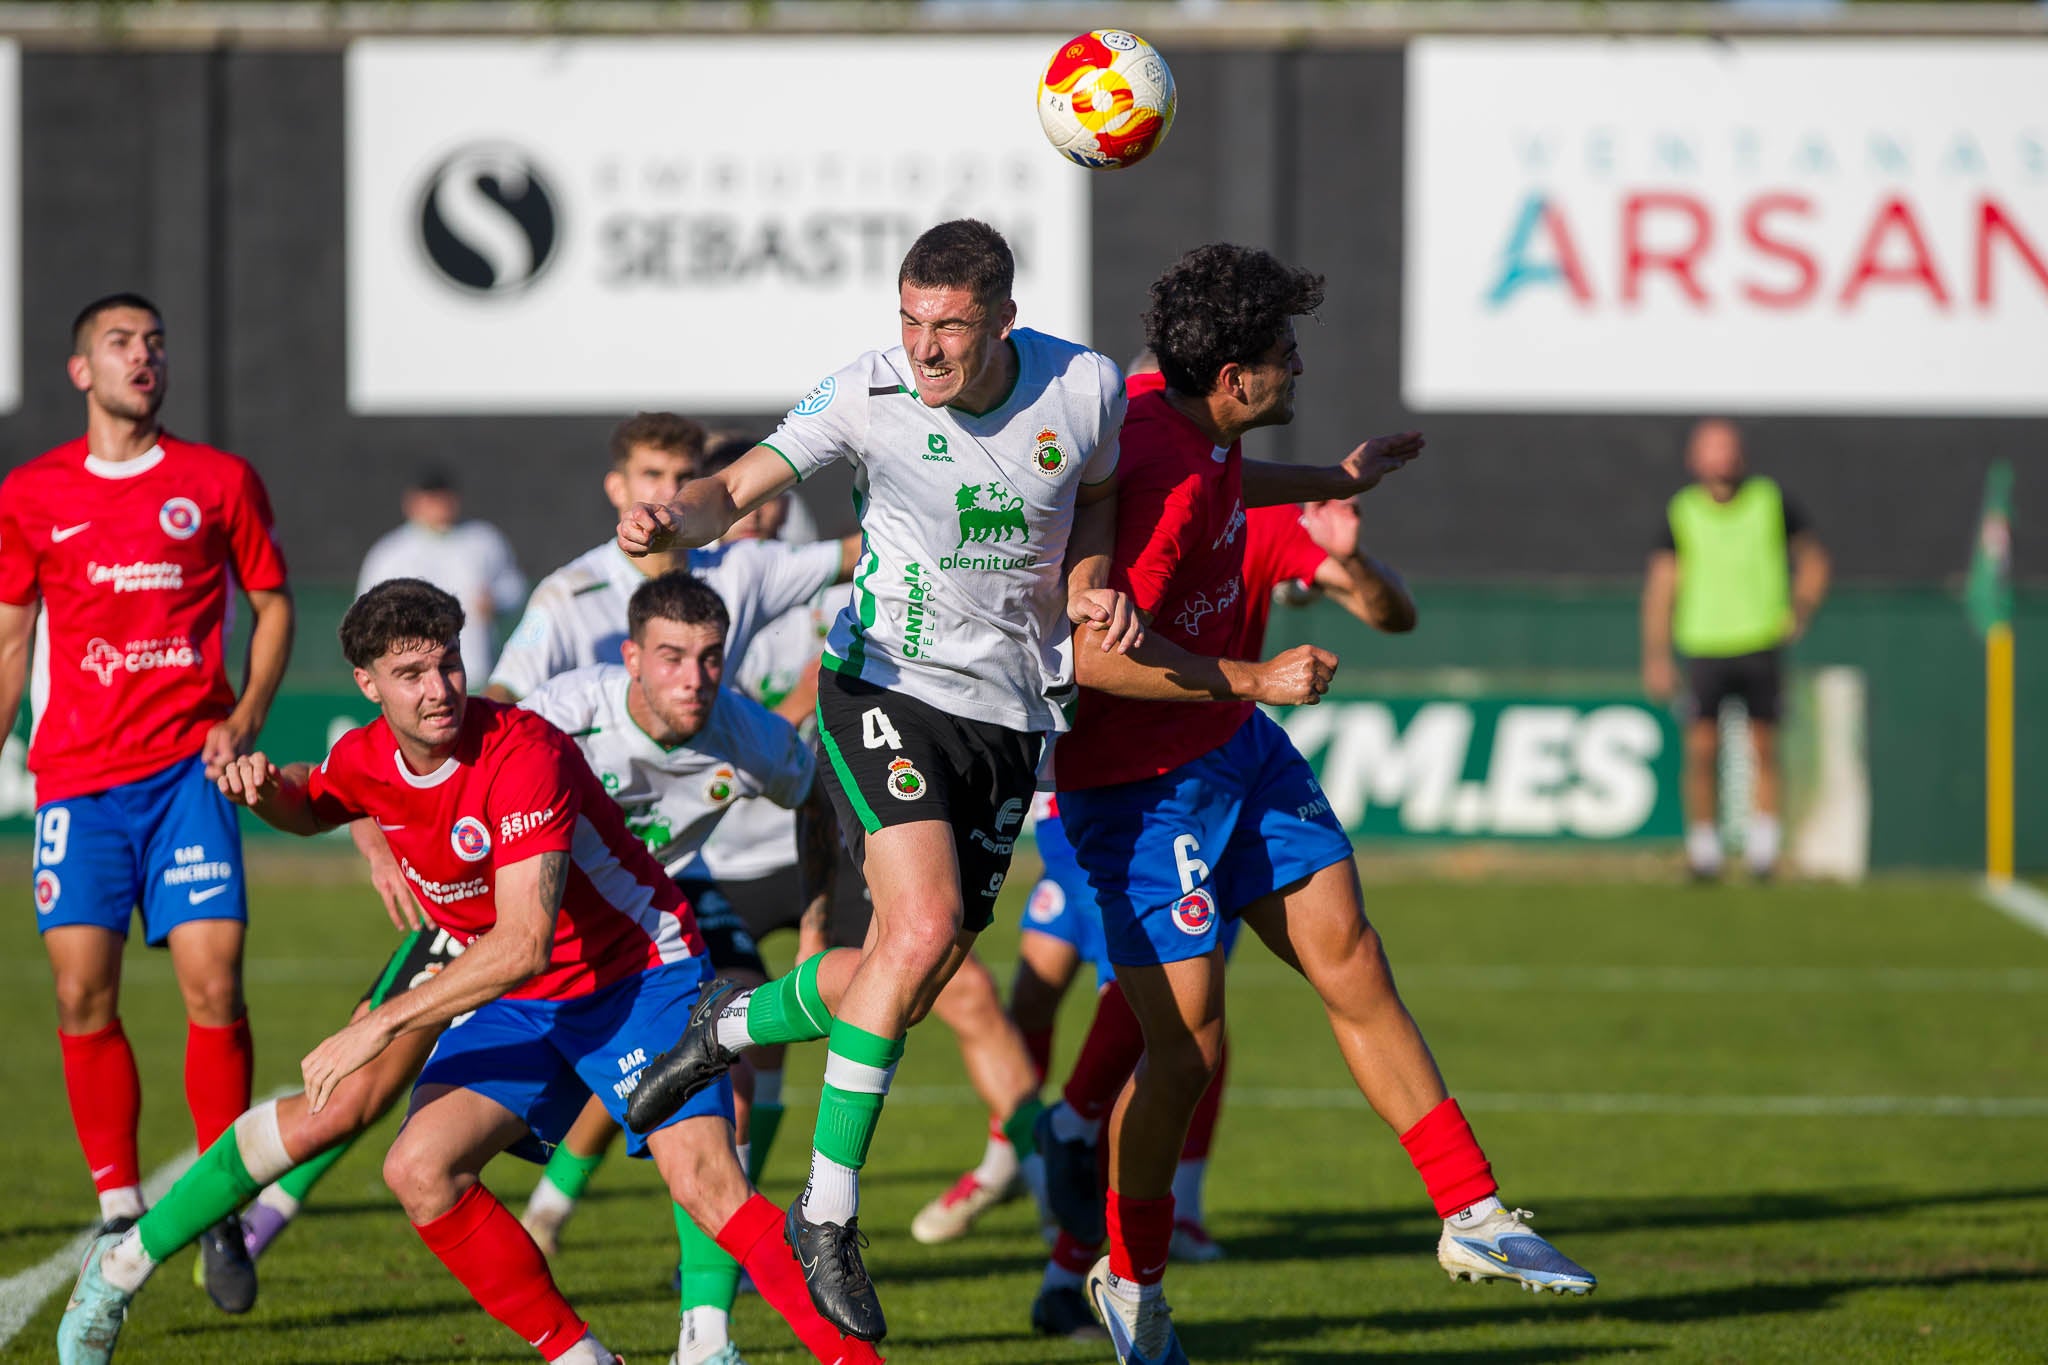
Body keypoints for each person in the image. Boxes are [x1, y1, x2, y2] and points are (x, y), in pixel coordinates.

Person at [57, 579, 881, 1365]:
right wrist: (264, 790)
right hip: (522, 999)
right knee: (417, 1167)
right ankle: (581, 1354)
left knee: (710, 1187)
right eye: (411, 673)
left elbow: (523, 939)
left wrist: (381, 1021)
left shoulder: (526, 750)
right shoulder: (366, 754)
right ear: (368, 682)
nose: (439, 687)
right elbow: (318, 800)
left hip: (640, 978)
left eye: (447, 663)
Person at [1047, 244, 1593, 1364]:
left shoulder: (1189, 428)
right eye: (1283, 353)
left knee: (1351, 958)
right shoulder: (1151, 462)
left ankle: (1470, 1213)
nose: (1298, 366)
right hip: (1141, 796)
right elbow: (1092, 661)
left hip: (1232, 752)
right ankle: (1128, 1273)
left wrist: (1338, 484)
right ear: (1234, 375)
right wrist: (1256, 675)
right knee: (1184, 1055)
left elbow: (1227, 483)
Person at [615, 218, 1143, 1344]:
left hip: (1008, 715)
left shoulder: (1087, 388)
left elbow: (1096, 493)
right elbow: (736, 483)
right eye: (909, 321)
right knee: (926, 925)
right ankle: (827, 1213)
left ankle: (730, 1021)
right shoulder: (866, 393)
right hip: (885, 686)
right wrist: (677, 518)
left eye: (949, 326)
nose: (924, 349)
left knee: (911, 965)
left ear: (1003, 317)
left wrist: (1091, 580)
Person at [1019, 485, 1419, 1340]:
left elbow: (1390, 615)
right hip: (1110, 803)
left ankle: (1080, 1242)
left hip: (1222, 797)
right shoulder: (1087, 528)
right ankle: (1067, 1168)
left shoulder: (1249, 513)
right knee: (1125, 1021)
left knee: (1175, 1038)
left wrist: (1348, 559)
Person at [0, 292, 294, 1311]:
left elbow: (271, 604)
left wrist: (246, 714)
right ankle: (121, 1206)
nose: (145, 357)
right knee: (83, 994)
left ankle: (216, 1205)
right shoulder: (31, 494)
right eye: (122, 344)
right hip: (77, 782)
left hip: (188, 777)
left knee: (214, 985)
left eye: (155, 344)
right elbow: (9, 639)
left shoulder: (216, 482)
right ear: (82, 370)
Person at [487, 411, 858, 703]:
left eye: (684, 476)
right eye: (652, 474)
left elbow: (857, 553)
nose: (668, 490)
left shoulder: (741, 567)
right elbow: (506, 695)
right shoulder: (569, 594)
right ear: (617, 488)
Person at [1642, 419, 1829, 881]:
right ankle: (1704, 854)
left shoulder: (1771, 500)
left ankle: (1763, 854)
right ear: (1694, 458)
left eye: (1727, 448)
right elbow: (1662, 586)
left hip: (1759, 641)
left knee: (1763, 747)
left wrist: (1799, 608)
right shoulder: (1682, 510)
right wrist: (1657, 655)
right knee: (1702, 751)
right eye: (1711, 448)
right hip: (1704, 644)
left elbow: (1814, 560)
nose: (1720, 457)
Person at [356, 468, 525, 683]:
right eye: (431, 498)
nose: (439, 505)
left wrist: (496, 601)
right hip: (412, 677)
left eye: (444, 498)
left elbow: (514, 589)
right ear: (412, 503)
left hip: (476, 672)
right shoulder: (391, 553)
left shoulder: (484, 540)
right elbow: (366, 613)